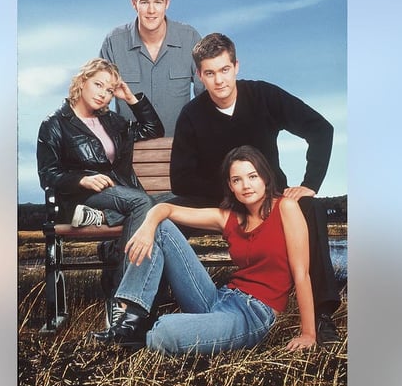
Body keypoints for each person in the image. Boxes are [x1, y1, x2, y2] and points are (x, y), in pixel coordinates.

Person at [169, 32, 343, 344]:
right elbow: (180, 179)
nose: (219, 80)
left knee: (310, 208)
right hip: (221, 201)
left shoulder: (263, 96)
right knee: (168, 217)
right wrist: (230, 193)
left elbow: (321, 129)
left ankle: (321, 314)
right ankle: (157, 301)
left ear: (236, 65)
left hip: (271, 199)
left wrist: (310, 184)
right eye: (210, 73)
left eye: (224, 70)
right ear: (200, 75)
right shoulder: (192, 115)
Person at [91, 145, 316, 354]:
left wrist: (308, 333)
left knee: (166, 332)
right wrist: (147, 227)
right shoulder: (227, 217)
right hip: (218, 297)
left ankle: (147, 333)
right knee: (161, 226)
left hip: (252, 314)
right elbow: (165, 209)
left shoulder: (286, 207)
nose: (246, 185)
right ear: (230, 186)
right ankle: (131, 320)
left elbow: (301, 274)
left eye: (252, 176)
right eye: (237, 180)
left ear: (265, 178)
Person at [36, 58, 164, 324]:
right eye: (98, 84)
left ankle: (102, 219)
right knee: (144, 204)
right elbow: (48, 174)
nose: (103, 93)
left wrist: (130, 97)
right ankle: (123, 300)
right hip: (82, 195)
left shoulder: (111, 121)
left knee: (162, 204)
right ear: (82, 81)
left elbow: (153, 129)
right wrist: (81, 179)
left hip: (116, 195)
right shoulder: (55, 124)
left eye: (108, 90)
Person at [99, 0, 203, 136]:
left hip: (180, 149)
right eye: (144, 2)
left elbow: (206, 97)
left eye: (158, 2)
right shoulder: (114, 42)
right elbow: (97, 102)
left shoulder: (189, 38)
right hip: (129, 152)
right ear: (134, 3)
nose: (151, 10)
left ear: (167, 3)